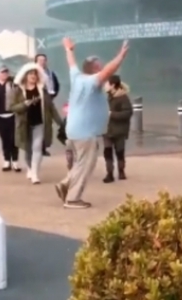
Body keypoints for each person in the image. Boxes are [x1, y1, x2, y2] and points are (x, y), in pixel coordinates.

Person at [55, 38, 129, 209]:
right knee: (85, 165)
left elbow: (71, 63)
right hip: (85, 133)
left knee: (81, 163)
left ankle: (65, 185)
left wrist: (68, 49)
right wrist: (121, 56)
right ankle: (72, 199)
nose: (102, 67)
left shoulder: (77, 77)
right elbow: (110, 70)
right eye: (100, 65)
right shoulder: (92, 82)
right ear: (95, 68)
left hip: (73, 130)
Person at [10, 62, 63, 184]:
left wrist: (60, 123)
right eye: (30, 74)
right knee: (28, 149)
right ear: (25, 76)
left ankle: (35, 174)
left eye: (35, 74)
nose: (33, 76)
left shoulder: (42, 91)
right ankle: (30, 167)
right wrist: (25, 104)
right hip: (25, 125)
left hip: (40, 123)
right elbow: (12, 107)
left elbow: (51, 108)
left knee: (37, 148)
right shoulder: (18, 91)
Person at [102, 75, 133, 183]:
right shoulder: (107, 96)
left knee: (120, 152)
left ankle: (121, 171)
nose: (105, 86)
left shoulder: (123, 98)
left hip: (119, 130)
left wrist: (112, 114)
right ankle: (109, 173)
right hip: (107, 130)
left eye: (107, 83)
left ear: (113, 85)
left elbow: (128, 113)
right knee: (107, 151)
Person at [35, 53, 61, 157]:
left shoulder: (50, 73)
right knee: (37, 125)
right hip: (36, 101)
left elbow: (56, 85)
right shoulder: (33, 72)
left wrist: (52, 95)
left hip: (48, 100)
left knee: (47, 125)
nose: (42, 61)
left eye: (44, 60)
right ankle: (36, 147)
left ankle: (43, 147)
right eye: (40, 60)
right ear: (36, 61)